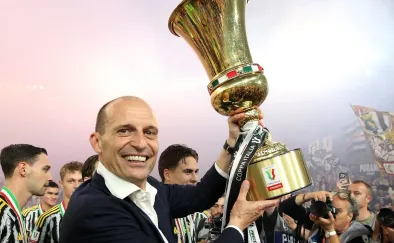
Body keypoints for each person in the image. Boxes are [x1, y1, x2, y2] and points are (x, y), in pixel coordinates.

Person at [59, 96, 278, 243]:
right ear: (97, 142)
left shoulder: (150, 188)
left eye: (150, 132)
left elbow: (201, 195)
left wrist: (231, 143)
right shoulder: (93, 210)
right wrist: (237, 224)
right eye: (125, 131)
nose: (140, 143)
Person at [158, 144, 208, 243]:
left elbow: (203, 240)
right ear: (167, 174)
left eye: (196, 172)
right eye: (188, 172)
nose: (195, 179)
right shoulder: (152, 213)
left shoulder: (201, 217)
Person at [30, 161, 83, 243]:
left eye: (80, 181)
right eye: (71, 181)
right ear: (61, 184)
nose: (76, 185)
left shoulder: (95, 216)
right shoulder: (46, 218)